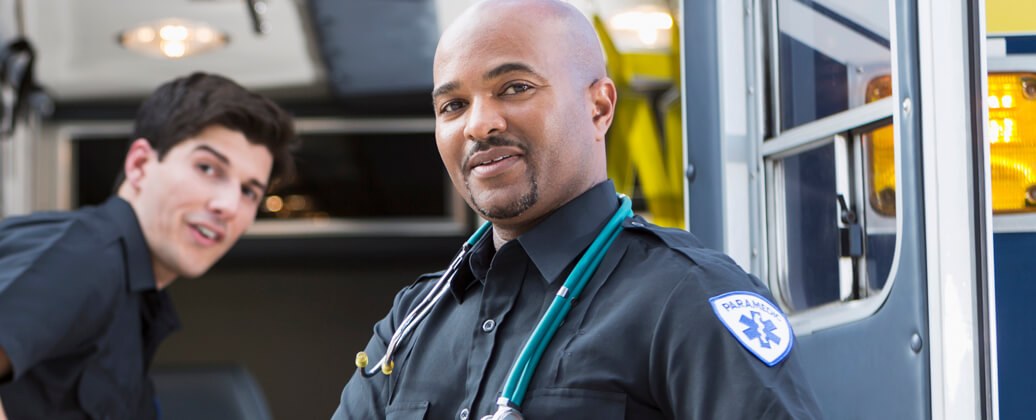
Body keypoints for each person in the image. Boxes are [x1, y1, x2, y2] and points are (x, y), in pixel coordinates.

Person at [331, 1, 822, 419]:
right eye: (453, 106)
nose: (479, 124)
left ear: (599, 108)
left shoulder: (687, 297)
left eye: (515, 87)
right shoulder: (411, 324)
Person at [0, 72, 299, 420]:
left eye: (249, 191)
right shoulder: (89, 252)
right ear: (141, 164)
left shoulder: (136, 311)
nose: (227, 204)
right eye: (208, 167)